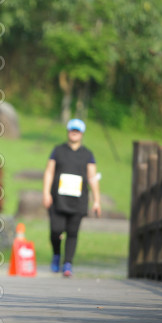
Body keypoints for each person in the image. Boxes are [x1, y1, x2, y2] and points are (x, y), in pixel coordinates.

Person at [42, 118, 101, 277]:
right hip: (58, 200)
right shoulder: (58, 150)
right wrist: (46, 192)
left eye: (77, 130)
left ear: (82, 133)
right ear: (68, 131)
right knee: (56, 230)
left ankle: (68, 263)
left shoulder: (87, 154)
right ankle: (56, 255)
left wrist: (96, 201)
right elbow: (49, 172)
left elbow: (92, 177)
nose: (74, 133)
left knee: (73, 232)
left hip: (78, 201)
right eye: (72, 130)